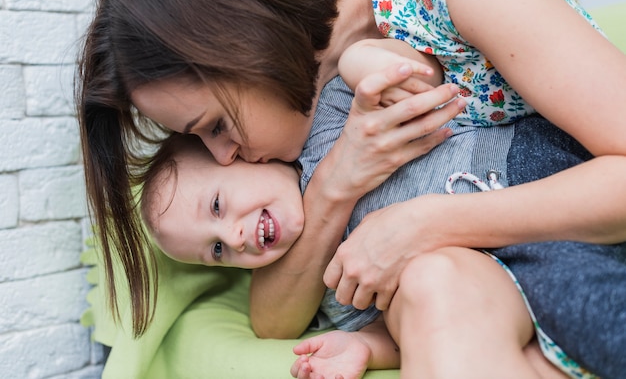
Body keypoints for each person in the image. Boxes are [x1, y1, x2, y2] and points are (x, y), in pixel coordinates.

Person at [75, 0, 626, 377]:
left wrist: (425, 224)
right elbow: (275, 321)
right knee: (432, 282)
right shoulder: (298, 128)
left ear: (243, 48)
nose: (222, 156)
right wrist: (339, 180)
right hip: (475, 287)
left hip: (580, 235)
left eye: (215, 125)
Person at [138, 132, 566, 378]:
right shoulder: (328, 293)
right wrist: (364, 346)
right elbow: (411, 328)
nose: (232, 238)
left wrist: (366, 61)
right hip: (509, 298)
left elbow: (374, 65)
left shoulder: (331, 134)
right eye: (216, 251)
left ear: (246, 153)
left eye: (216, 206)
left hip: (542, 202)